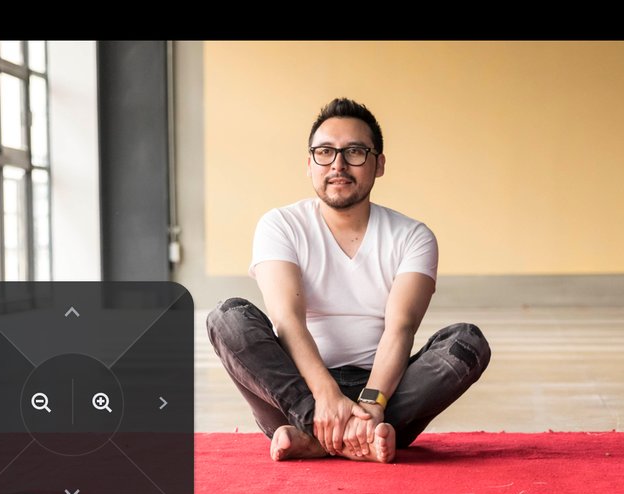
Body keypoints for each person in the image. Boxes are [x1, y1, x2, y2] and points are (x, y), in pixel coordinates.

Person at [206, 98, 491, 463]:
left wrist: (372, 404)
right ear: (310, 164)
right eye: (325, 152)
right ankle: (341, 433)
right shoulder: (280, 225)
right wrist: (324, 397)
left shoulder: (413, 236)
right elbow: (286, 320)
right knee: (227, 317)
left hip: (384, 392)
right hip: (295, 390)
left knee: (468, 343)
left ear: (379, 163)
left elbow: (400, 329)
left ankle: (320, 439)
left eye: (355, 152)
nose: (338, 165)